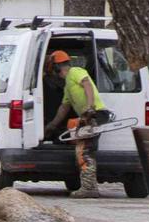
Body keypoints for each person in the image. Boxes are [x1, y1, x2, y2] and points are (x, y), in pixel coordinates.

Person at [43, 48, 104, 197]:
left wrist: (90, 107)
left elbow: (87, 84)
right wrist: (51, 126)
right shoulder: (68, 87)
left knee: (85, 151)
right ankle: (89, 186)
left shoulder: (75, 71)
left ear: (56, 67)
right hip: (87, 117)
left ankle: (89, 188)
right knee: (81, 148)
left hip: (94, 115)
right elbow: (64, 108)